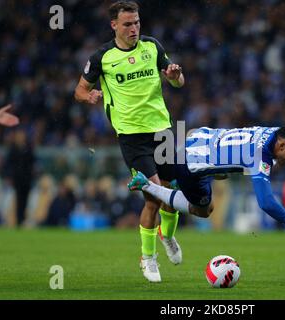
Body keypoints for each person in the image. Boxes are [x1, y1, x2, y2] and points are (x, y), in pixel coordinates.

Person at [74, 1, 185, 282]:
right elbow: (79, 90)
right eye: (127, 24)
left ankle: (167, 236)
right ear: (114, 25)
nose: (134, 28)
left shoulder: (152, 47)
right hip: (131, 136)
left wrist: (174, 77)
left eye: (136, 22)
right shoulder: (102, 57)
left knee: (173, 192)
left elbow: (178, 82)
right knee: (154, 195)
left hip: (162, 129)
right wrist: (89, 97)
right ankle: (148, 258)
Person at [128, 124, 285, 242]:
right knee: (204, 210)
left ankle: (172, 183)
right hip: (190, 164)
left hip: (201, 135)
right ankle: (149, 185)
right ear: (283, 145)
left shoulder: (276, 133)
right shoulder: (259, 156)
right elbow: (266, 203)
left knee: (220, 174)